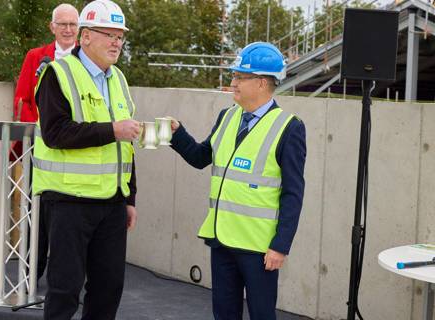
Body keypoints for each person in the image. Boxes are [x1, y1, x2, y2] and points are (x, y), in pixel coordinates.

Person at [169, 42, 306, 320]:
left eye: (240, 77)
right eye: (235, 76)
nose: (234, 82)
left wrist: (281, 245)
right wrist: (177, 134)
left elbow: (293, 193)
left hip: (259, 248)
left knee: (261, 315)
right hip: (222, 241)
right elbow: (200, 157)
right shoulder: (227, 117)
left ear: (262, 83)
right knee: (224, 314)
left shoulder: (289, 127)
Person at [33, 1, 139, 319]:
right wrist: (112, 130)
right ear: (86, 36)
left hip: (112, 203)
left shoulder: (118, 79)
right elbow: (55, 133)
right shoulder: (57, 74)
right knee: (65, 290)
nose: (117, 42)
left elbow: (126, 146)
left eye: (121, 36)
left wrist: (130, 196)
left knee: (108, 289)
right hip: (69, 201)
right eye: (110, 34)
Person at [11, 3, 79, 281]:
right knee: (35, 213)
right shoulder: (36, 57)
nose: (67, 29)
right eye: (62, 24)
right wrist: (43, 128)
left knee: (68, 217)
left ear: (80, 29)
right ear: (52, 27)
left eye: (72, 24)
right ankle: (30, 276)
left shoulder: (87, 59)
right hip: (39, 146)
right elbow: (22, 99)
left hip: (74, 149)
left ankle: (68, 280)